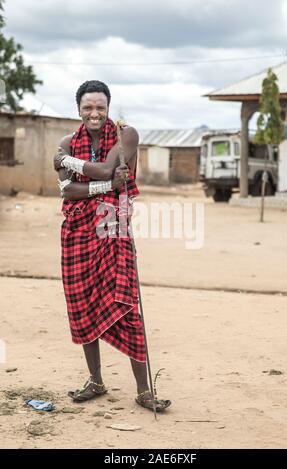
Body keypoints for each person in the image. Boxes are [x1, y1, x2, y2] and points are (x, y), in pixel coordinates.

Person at [54, 80, 171, 412]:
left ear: (108, 108)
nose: (94, 113)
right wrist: (104, 183)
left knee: (127, 303)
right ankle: (95, 380)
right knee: (81, 304)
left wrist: (69, 163)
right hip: (76, 233)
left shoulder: (125, 136)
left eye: (100, 107)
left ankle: (144, 390)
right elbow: (67, 192)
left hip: (113, 228)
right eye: (88, 107)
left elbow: (107, 167)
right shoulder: (67, 141)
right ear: (78, 109)